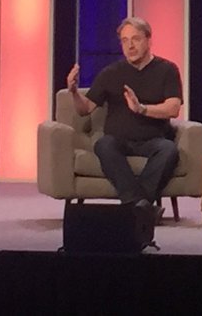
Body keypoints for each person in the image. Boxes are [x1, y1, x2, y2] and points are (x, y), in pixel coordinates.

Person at [67, 17, 182, 223]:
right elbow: (85, 109)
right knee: (103, 144)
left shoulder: (167, 70)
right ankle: (141, 207)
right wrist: (74, 92)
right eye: (125, 40)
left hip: (153, 140)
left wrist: (142, 109)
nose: (130, 46)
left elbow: (173, 108)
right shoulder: (111, 73)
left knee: (168, 150)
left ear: (149, 40)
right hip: (118, 140)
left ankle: (134, 207)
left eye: (136, 39)